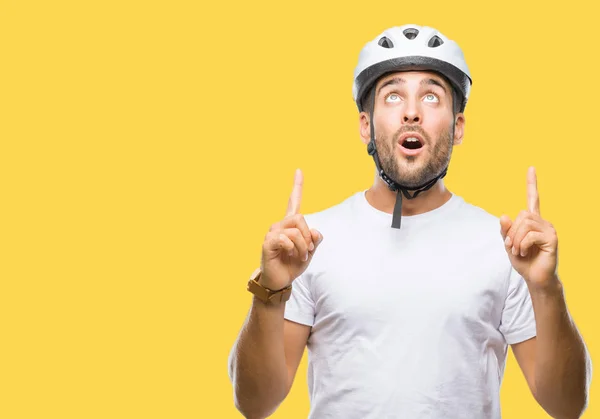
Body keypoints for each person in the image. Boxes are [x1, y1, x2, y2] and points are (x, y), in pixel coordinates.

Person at [227, 24, 592, 419]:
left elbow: (567, 406)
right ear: (366, 126)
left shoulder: (507, 247)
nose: (412, 110)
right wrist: (270, 290)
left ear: (458, 128)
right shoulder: (309, 244)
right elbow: (255, 404)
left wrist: (546, 288)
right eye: (393, 95)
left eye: (432, 96)